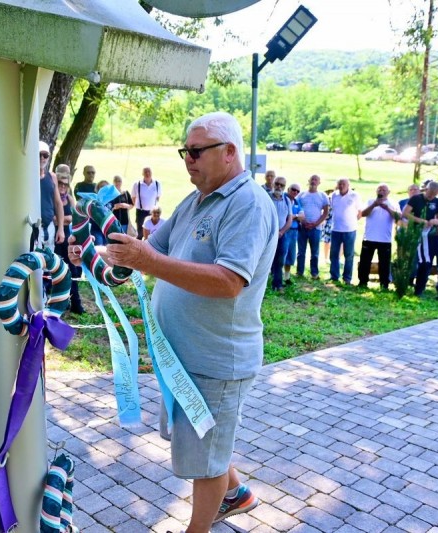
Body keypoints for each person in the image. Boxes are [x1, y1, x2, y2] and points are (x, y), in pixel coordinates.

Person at [71, 111, 277, 533]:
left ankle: (198, 528)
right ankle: (236, 493)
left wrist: (149, 261)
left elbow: (229, 281)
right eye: (186, 151)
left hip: (217, 358)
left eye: (198, 151)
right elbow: (149, 251)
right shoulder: (197, 200)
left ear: (230, 152)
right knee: (203, 440)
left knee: (205, 459)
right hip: (182, 358)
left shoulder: (248, 204)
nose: (189, 160)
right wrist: (97, 254)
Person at [401, 180, 438, 296]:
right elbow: (405, 213)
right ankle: (405, 284)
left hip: (429, 235)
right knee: (414, 261)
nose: (431, 196)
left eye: (434, 194)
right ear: (426, 189)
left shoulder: (437, 201)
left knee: (426, 262)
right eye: (430, 193)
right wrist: (420, 221)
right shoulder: (416, 199)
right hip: (414, 232)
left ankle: (420, 289)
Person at [52, 166, 85, 314]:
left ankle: (76, 303)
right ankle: (57, 304)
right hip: (53, 240)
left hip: (67, 241)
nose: (63, 187)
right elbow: (50, 218)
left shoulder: (70, 199)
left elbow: (76, 217)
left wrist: (62, 220)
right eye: (60, 183)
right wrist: (65, 220)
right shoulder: (51, 197)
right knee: (53, 272)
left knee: (72, 272)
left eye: (66, 184)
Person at [357, 184, 399, 290]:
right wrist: (374, 205)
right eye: (380, 189)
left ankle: (384, 284)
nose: (382, 191)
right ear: (376, 191)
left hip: (385, 239)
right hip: (369, 237)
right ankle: (362, 282)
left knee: (384, 263)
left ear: (388, 192)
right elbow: (363, 214)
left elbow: (398, 217)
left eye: (384, 190)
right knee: (365, 262)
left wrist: (387, 208)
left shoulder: (393, 203)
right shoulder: (370, 201)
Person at [296, 174, 329, 280]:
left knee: (315, 252)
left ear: (319, 183)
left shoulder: (322, 196)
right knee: (301, 251)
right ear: (308, 181)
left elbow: (325, 212)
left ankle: (314, 273)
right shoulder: (301, 195)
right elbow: (296, 208)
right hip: (302, 227)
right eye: (312, 179)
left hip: (316, 228)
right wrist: (303, 221)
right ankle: (299, 272)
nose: (313, 181)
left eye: (316, 180)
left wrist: (315, 223)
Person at [329, 178, 361, 284]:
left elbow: (360, 212)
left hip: (349, 230)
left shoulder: (354, 195)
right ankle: (334, 276)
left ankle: (347, 278)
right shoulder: (334, 195)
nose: (341, 186)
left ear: (348, 185)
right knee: (334, 254)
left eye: (343, 184)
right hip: (336, 229)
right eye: (339, 184)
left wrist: (352, 221)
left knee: (349, 255)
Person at [34, 141, 65, 252]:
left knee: (50, 262)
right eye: (39, 155)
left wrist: (60, 228)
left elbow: (58, 203)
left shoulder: (52, 176)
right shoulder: (28, 177)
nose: (42, 158)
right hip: (33, 227)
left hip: (49, 226)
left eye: (45, 155)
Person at [269, 177, 292, 290]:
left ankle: (277, 284)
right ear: (273, 184)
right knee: (264, 259)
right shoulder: (266, 197)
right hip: (267, 235)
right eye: (277, 184)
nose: (278, 186)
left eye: (281, 185)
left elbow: (290, 219)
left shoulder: (287, 200)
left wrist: (281, 232)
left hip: (282, 235)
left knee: (280, 260)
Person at [282, 183, 304, 286]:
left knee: (291, 254)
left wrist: (293, 216)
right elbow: (285, 216)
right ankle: (276, 275)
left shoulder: (296, 201)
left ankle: (287, 277)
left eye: (297, 191)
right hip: (285, 230)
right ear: (288, 189)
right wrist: (295, 216)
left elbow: (302, 216)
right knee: (282, 253)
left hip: (294, 231)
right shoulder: (283, 199)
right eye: (293, 189)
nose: (295, 192)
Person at [131, 166, 161, 239]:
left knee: (151, 233)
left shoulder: (157, 184)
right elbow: (133, 197)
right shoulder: (137, 184)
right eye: (145, 172)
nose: (147, 173)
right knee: (140, 233)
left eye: (149, 172)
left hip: (152, 212)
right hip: (140, 211)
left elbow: (158, 197)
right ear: (142, 174)